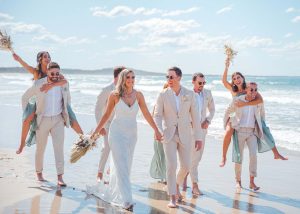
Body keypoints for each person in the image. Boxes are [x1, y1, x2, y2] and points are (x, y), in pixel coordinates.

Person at [87, 69, 162, 211]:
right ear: (123, 78)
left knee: (126, 166)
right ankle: (127, 200)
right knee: (121, 164)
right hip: (116, 134)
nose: (131, 80)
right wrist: (96, 132)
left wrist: (156, 130)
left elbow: (146, 113)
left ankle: (118, 193)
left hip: (132, 135)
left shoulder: (138, 95)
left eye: (133, 77)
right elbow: (106, 115)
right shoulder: (114, 95)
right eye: (128, 77)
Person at [219, 58, 287, 167]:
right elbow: (223, 81)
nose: (237, 80)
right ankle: (223, 157)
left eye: (239, 77)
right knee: (228, 131)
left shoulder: (249, 88)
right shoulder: (233, 89)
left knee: (263, 129)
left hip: (247, 114)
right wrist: (226, 66)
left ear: (243, 78)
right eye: (234, 78)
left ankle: (276, 153)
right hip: (233, 113)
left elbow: (260, 100)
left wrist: (245, 104)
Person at [12, 52, 83, 154]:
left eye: (49, 56)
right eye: (45, 56)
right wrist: (18, 59)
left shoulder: (54, 72)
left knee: (71, 115)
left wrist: (52, 86)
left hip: (54, 100)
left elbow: (65, 81)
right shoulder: (37, 73)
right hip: (38, 100)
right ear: (40, 59)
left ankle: (84, 138)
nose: (48, 58)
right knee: (27, 119)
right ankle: (22, 144)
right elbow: (26, 66)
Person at [153, 67, 203, 208]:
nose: (169, 80)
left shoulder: (189, 94)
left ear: (179, 78)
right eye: (167, 77)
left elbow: (196, 117)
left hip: (186, 134)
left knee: (186, 166)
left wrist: (198, 137)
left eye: (171, 77)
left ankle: (174, 185)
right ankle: (173, 197)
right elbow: (157, 115)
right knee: (171, 165)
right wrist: (158, 130)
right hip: (168, 135)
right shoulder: (162, 95)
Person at [21, 62, 72, 185]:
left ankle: (60, 177)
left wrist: (66, 114)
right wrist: (29, 113)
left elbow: (68, 99)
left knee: (59, 149)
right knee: (40, 149)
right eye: (52, 73)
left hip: (58, 120)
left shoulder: (64, 83)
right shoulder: (39, 84)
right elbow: (25, 97)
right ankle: (39, 173)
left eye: (57, 73)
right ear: (47, 72)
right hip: (42, 120)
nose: (55, 75)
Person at [227, 82, 265, 192]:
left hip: (252, 132)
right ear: (246, 90)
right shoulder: (239, 100)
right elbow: (230, 111)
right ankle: (238, 181)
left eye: (256, 90)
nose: (254, 92)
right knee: (239, 158)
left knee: (253, 155)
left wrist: (262, 127)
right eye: (251, 90)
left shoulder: (258, 102)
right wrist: (231, 123)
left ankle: (252, 182)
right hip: (240, 131)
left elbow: (262, 114)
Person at [182, 73, 215, 195]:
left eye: (203, 83)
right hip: (189, 130)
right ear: (193, 82)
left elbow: (212, 109)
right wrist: (189, 122)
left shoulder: (208, 94)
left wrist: (208, 120)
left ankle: (185, 179)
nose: (202, 85)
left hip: (202, 130)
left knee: (197, 157)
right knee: (191, 157)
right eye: (199, 83)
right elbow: (182, 111)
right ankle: (194, 185)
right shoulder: (186, 94)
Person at [94, 66, 125, 182]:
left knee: (119, 149)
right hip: (106, 123)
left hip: (120, 125)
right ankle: (100, 173)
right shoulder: (106, 90)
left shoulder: (125, 90)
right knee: (107, 147)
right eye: (123, 76)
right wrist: (100, 126)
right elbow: (97, 109)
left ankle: (111, 171)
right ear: (116, 77)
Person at [149, 83, 169, 183]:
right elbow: (154, 118)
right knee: (160, 155)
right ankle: (163, 177)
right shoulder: (159, 102)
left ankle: (166, 177)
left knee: (167, 156)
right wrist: (156, 131)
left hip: (170, 133)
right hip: (160, 133)